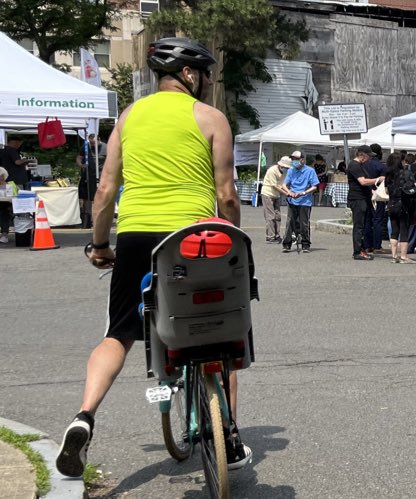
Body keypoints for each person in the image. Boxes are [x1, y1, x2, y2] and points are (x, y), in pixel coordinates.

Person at [64, 37, 249, 478]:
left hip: (136, 238)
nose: (207, 83)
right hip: (195, 238)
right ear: (190, 74)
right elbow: (227, 194)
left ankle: (84, 416)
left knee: (119, 333)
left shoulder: (128, 117)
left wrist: (101, 244)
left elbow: (105, 191)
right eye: (205, 74)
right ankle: (229, 431)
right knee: (222, 332)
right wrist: (236, 239)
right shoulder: (211, 118)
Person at [346, 146, 382, 260]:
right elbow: (362, 181)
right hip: (357, 199)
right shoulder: (354, 165)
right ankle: (357, 251)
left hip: (363, 198)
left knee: (363, 224)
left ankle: (361, 248)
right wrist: (378, 180)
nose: (370, 159)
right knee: (359, 226)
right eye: (368, 156)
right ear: (361, 154)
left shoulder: (360, 166)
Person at [384, 158, 416, 263]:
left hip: (391, 204)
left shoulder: (388, 176)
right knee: (404, 230)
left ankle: (394, 256)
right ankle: (404, 256)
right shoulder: (406, 173)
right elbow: (415, 187)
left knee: (394, 231)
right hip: (404, 205)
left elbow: (386, 191)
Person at [278, 154, 317, 253]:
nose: (294, 161)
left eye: (296, 159)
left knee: (304, 223)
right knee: (290, 222)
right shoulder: (291, 170)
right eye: (293, 159)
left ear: (302, 160)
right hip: (292, 200)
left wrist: (304, 193)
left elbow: (314, 186)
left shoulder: (310, 171)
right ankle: (287, 244)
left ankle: (305, 244)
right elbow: (284, 185)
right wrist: (289, 192)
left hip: (305, 201)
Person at [1, 135, 33, 244]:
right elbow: (17, 162)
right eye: (19, 143)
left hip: (7, 182)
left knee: (5, 207)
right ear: (14, 142)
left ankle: (5, 232)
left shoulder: (3, 151)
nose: (20, 145)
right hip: (15, 183)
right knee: (19, 205)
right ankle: (20, 228)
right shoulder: (11, 150)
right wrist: (26, 160)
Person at [258, 156, 289, 243]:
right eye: (285, 167)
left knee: (278, 216)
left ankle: (277, 235)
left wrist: (289, 192)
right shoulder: (272, 170)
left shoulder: (284, 172)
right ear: (280, 165)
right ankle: (270, 236)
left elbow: (282, 184)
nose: (286, 169)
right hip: (267, 194)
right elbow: (274, 185)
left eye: (287, 168)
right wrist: (286, 193)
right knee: (270, 216)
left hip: (276, 195)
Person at [76, 134, 104, 228]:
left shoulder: (106, 147)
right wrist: (81, 165)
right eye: (91, 142)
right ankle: (87, 219)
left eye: (94, 142)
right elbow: (79, 157)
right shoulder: (86, 146)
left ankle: (99, 219)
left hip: (101, 176)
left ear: (99, 139)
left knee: (100, 197)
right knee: (87, 198)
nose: (92, 144)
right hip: (88, 176)